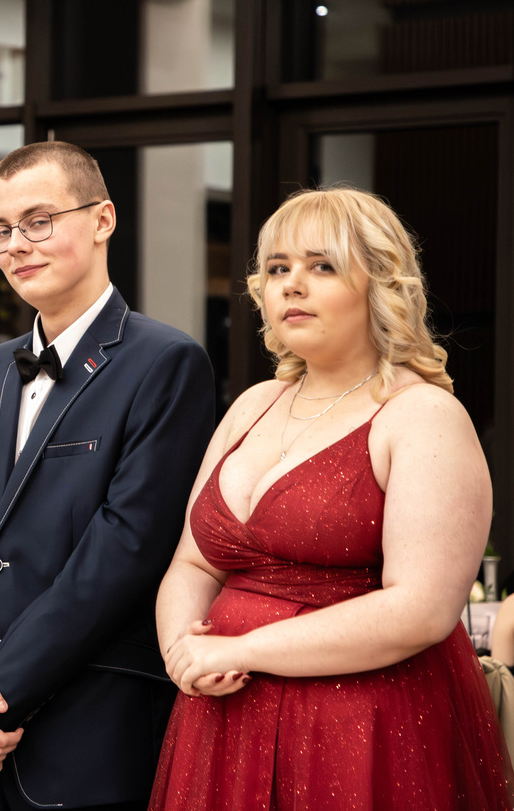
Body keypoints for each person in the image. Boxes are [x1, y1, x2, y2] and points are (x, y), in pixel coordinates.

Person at [148, 187, 513, 809]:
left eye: (322, 265)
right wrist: (183, 650)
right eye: (277, 268)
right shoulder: (252, 405)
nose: (292, 284)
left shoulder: (421, 415)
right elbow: (193, 562)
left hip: (360, 730)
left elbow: (421, 609)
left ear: (380, 285)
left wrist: (240, 649)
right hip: (221, 720)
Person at [0, 141, 216, 810]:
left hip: (87, 740)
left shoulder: (167, 362)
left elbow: (123, 552)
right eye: (1, 230)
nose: (16, 244)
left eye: (39, 220)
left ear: (103, 219)